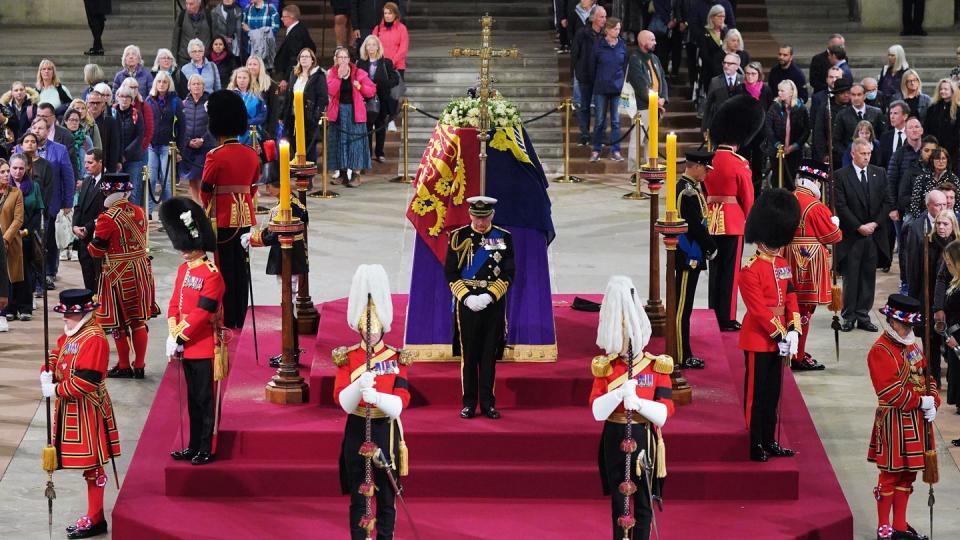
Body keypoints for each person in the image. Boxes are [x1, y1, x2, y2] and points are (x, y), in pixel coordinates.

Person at [589, 275, 674, 540]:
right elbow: (596, 411)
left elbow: (664, 412)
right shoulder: (607, 366)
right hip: (614, 436)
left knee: (644, 502)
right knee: (618, 499)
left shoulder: (655, 365)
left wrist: (638, 403)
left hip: (643, 436)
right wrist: (617, 396)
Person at [331, 263, 411, 540]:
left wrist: (377, 397)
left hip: (385, 429)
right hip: (357, 428)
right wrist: (357, 388)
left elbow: (401, 402)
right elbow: (341, 400)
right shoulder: (348, 357)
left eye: (374, 328)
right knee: (358, 495)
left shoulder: (395, 358)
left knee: (387, 496)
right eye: (366, 328)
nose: (370, 333)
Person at [40, 288, 121, 539]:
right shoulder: (74, 333)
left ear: (84, 313)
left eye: (69, 314)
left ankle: (96, 518)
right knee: (89, 467)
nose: (65, 318)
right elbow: (58, 352)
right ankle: (95, 516)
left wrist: (55, 388)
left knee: (94, 466)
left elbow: (88, 381)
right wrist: (48, 369)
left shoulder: (94, 338)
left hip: (89, 410)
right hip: (71, 409)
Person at [867, 294, 938, 540]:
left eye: (910, 325)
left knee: (908, 475)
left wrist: (934, 401)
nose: (908, 329)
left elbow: (927, 376)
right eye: (904, 324)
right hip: (893, 421)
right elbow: (889, 391)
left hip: (916, 422)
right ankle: (883, 527)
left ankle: (899, 525)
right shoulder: (880, 350)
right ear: (892, 321)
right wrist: (921, 401)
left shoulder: (913, 345)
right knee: (890, 474)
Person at [160, 196, 224, 466]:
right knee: (192, 400)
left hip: (203, 344)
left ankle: (205, 447)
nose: (183, 252)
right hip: (185, 344)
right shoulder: (183, 269)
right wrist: (172, 331)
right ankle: (193, 445)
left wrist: (180, 335)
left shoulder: (212, 275)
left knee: (204, 400)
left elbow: (202, 313)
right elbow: (175, 303)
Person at [739, 188, 801, 462]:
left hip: (781, 339)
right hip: (758, 339)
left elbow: (790, 296)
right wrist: (780, 334)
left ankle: (769, 439)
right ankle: (755, 443)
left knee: (773, 393)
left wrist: (795, 329)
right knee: (757, 395)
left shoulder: (782, 263)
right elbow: (759, 311)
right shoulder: (749, 270)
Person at [445, 196, 514, 420]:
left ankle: (488, 403)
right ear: (470, 214)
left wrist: (490, 295)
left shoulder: (503, 237)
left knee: (488, 355)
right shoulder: (458, 237)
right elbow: (451, 272)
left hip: (492, 303)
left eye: (485, 217)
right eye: (477, 217)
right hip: (467, 303)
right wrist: (466, 297)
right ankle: (468, 403)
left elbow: (508, 272)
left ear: (492, 215)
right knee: (470, 354)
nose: (481, 222)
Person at [87, 173, 159, 379]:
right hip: (141, 270)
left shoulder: (107, 217)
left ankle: (125, 365)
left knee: (117, 323)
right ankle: (140, 365)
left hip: (117, 274)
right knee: (138, 321)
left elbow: (96, 251)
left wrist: (90, 240)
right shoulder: (139, 211)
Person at [199, 90, 260, 330]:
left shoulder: (215, 155)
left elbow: (205, 189)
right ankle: (240, 316)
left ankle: (227, 317)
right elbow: (253, 186)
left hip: (222, 218)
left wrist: (209, 206)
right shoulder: (251, 154)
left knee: (224, 269)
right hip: (244, 216)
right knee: (241, 267)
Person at [240, 172, 308, 367]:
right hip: (292, 259)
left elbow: (273, 234)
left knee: (289, 306)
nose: (266, 189)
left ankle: (291, 353)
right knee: (288, 305)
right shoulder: (294, 203)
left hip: (289, 261)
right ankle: (290, 351)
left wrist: (252, 239)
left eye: (269, 185)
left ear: (277, 186)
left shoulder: (285, 208)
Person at [705, 95, 760, 332]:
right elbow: (747, 198)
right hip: (733, 221)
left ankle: (712, 311)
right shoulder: (739, 163)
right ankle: (726, 317)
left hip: (711, 219)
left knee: (715, 271)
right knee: (730, 273)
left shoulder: (709, 160)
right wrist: (752, 220)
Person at [784, 160, 843, 371]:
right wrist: (834, 223)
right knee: (804, 310)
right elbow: (833, 236)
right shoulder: (815, 206)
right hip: (808, 262)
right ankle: (797, 355)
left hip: (786, 258)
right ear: (816, 181)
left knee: (789, 307)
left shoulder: (788, 199)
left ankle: (793, 349)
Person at [835, 138, 892, 331]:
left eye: (869, 153)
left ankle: (863, 315)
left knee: (868, 276)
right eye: (863, 153)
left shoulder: (880, 173)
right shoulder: (841, 175)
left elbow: (887, 201)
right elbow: (840, 206)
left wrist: (874, 224)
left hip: (873, 235)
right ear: (853, 154)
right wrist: (859, 226)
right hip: (852, 236)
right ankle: (849, 315)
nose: (867, 157)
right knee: (851, 277)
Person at [902, 191, 954, 383]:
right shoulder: (918, 230)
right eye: (938, 205)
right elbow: (913, 266)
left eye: (944, 205)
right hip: (928, 293)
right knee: (930, 337)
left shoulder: (955, 240)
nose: (942, 209)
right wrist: (914, 298)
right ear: (928, 206)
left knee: (948, 338)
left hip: (950, 298)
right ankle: (933, 378)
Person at [674, 151, 716, 369]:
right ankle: (681, 355)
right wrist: (711, 246)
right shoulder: (687, 192)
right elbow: (695, 227)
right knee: (682, 307)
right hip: (688, 254)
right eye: (706, 169)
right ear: (696, 166)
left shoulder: (689, 188)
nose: (708, 174)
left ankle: (683, 351)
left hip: (692, 253)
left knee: (684, 305)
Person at [326, 46, 376, 186]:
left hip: (355, 113)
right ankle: (342, 174)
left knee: (355, 143)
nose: (342, 60)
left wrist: (360, 86)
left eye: (345, 57)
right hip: (338, 113)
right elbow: (330, 90)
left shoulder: (358, 72)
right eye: (339, 57)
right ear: (335, 59)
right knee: (339, 143)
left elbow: (371, 90)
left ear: (349, 59)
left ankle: (355, 175)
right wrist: (339, 78)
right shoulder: (332, 73)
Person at [625, 30, 667, 172]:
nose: (655, 42)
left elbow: (662, 79)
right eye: (652, 40)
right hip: (642, 107)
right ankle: (633, 171)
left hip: (656, 105)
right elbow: (640, 86)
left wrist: (663, 98)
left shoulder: (654, 58)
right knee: (637, 139)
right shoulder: (635, 59)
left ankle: (650, 169)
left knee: (651, 140)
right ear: (643, 42)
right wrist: (655, 101)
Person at [5, 153, 42, 319]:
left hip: (26, 236)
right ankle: (10, 307)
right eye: (14, 168)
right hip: (9, 236)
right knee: (9, 272)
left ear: (27, 168)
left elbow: (37, 214)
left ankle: (25, 307)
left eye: (21, 168)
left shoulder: (34, 186)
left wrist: (25, 231)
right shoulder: (5, 187)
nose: (17, 171)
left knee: (26, 272)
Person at [587, 17, 627, 162]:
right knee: (599, 121)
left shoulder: (622, 45)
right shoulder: (598, 45)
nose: (618, 31)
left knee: (616, 121)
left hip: (617, 89)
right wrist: (597, 81)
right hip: (601, 88)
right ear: (608, 30)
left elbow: (624, 66)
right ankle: (596, 150)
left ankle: (616, 151)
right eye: (615, 29)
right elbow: (592, 67)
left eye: (619, 29)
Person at [282, 48, 328, 165]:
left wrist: (315, 116)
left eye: (307, 57)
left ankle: (309, 176)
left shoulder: (318, 76)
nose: (304, 59)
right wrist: (282, 115)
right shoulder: (294, 74)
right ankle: (300, 173)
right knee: (295, 145)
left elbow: (322, 98)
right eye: (302, 57)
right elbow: (289, 96)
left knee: (309, 148)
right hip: (293, 117)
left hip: (309, 118)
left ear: (312, 60)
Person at [357, 35, 398, 164]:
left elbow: (395, 79)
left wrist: (385, 84)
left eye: (374, 44)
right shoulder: (360, 63)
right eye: (368, 45)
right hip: (366, 99)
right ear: (365, 47)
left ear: (378, 47)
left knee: (380, 126)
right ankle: (368, 153)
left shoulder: (386, 62)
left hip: (382, 98)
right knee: (367, 127)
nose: (371, 47)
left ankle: (379, 153)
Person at [764, 80, 809, 190]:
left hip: (794, 152)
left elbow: (806, 130)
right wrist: (777, 144)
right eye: (779, 90)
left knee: (791, 181)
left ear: (791, 92)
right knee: (776, 180)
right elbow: (768, 127)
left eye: (782, 91)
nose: (779, 93)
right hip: (777, 151)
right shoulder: (774, 106)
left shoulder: (801, 108)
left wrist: (795, 146)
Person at [570, 5, 605, 146]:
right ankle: (584, 134)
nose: (604, 19)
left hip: (600, 76)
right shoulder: (582, 33)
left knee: (599, 108)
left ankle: (598, 136)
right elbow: (574, 55)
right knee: (584, 106)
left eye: (605, 16)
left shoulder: (604, 35)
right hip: (584, 75)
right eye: (602, 16)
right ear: (594, 18)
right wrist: (575, 72)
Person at [73, 149, 105, 292]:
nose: (86, 166)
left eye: (90, 162)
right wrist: (75, 226)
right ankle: (91, 300)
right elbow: (79, 206)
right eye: (85, 162)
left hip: (97, 236)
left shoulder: (107, 183)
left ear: (100, 162)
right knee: (86, 271)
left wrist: (88, 227)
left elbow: (106, 212)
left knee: (98, 275)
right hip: (83, 237)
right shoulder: (86, 181)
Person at [178, 75, 215, 199]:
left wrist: (203, 139)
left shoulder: (210, 102)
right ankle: (197, 203)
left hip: (205, 146)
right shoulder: (183, 103)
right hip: (188, 147)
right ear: (189, 87)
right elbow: (181, 126)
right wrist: (188, 141)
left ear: (203, 87)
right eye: (194, 84)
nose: (196, 86)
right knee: (192, 179)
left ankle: (205, 204)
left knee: (202, 177)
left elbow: (213, 124)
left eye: (199, 84)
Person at [738, 61, 772, 191]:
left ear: (759, 75)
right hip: (744, 134)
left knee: (758, 165)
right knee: (743, 164)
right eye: (747, 74)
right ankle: (743, 190)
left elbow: (769, 111)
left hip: (760, 134)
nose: (750, 76)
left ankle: (756, 192)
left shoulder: (766, 90)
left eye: (753, 74)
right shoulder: (740, 89)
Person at [936, 241, 960, 417]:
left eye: (950, 263)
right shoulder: (955, 280)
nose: (947, 266)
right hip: (953, 333)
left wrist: (958, 341)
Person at [113, 86, 146, 209]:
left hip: (132, 158)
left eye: (128, 97)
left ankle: (134, 219)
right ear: (117, 98)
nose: (124, 99)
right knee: (117, 191)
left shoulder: (136, 114)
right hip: (116, 157)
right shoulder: (112, 112)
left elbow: (139, 136)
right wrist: (117, 156)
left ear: (132, 100)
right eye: (122, 96)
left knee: (132, 190)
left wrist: (125, 154)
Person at [0, 159, 24, 326]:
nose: (7, 174)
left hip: (9, 241)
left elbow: (18, 219)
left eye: (7, 171)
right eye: (2, 172)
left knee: (7, 276)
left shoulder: (16, 192)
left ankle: (6, 312)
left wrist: (5, 239)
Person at [833, 83, 885, 156]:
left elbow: (882, 135)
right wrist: (848, 154)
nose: (856, 98)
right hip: (851, 157)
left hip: (873, 156)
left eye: (859, 94)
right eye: (853, 95)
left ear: (864, 96)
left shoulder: (876, 112)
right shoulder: (842, 114)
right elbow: (836, 140)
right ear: (850, 96)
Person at [811, 77, 851, 166]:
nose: (846, 95)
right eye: (842, 93)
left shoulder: (852, 106)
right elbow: (819, 132)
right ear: (836, 94)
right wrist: (823, 154)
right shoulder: (826, 107)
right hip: (832, 153)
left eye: (848, 92)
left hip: (849, 151)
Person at [909, 147, 958, 218]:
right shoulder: (921, 179)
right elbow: (915, 205)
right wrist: (921, 221)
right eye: (937, 159)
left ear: (947, 160)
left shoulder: (953, 179)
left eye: (943, 158)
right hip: (925, 219)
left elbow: (957, 204)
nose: (941, 161)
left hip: (948, 220)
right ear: (932, 160)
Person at [701, 53, 742, 136]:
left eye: (729, 63)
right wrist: (705, 127)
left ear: (737, 66)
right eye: (724, 63)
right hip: (720, 124)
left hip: (739, 125)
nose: (726, 66)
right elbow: (708, 105)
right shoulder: (715, 81)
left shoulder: (743, 80)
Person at [274, 4, 316, 81]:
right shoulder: (300, 28)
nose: (281, 18)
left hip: (294, 76)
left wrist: (286, 78)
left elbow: (294, 58)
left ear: (291, 17)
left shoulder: (296, 34)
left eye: (284, 17)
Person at [697, 4, 728, 106]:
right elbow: (704, 54)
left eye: (723, 16)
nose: (722, 19)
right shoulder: (705, 33)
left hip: (725, 70)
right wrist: (716, 65)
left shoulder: (726, 31)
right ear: (712, 17)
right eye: (719, 16)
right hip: (709, 71)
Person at [923, 79, 959, 163]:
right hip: (934, 149)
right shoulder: (932, 108)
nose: (942, 91)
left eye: (946, 89)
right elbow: (927, 127)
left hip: (952, 152)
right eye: (941, 89)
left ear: (952, 91)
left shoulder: (958, 109)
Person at [246, 55, 282, 138]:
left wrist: (270, 132)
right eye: (249, 64)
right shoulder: (243, 82)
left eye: (255, 64)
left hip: (264, 129)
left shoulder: (270, 84)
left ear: (260, 66)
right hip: (246, 128)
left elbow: (274, 110)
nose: (252, 67)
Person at [87, 87, 121, 172]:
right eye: (92, 103)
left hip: (104, 167)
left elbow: (114, 148)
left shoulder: (110, 122)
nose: (95, 105)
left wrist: (111, 171)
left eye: (98, 103)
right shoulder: (81, 122)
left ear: (103, 105)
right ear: (87, 104)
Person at [172, 0, 213, 66]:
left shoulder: (209, 15)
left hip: (204, 59)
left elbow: (214, 37)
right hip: (185, 59)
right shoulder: (181, 16)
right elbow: (175, 39)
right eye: (186, 4)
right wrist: (173, 59)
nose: (188, 6)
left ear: (198, 4)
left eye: (191, 4)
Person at [373, 2, 409, 79]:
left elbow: (403, 49)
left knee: (396, 90)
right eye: (385, 13)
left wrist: (392, 62)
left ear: (395, 14)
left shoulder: (402, 28)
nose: (387, 16)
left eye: (390, 13)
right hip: (381, 66)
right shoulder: (377, 28)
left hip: (397, 67)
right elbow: (372, 47)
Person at [243, 0, 280, 66]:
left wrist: (251, 31)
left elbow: (274, 29)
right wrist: (262, 31)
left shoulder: (271, 8)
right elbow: (243, 26)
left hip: (266, 50)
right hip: (251, 48)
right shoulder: (248, 8)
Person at [62, 109, 95, 181]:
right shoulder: (60, 138)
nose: (74, 123)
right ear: (65, 121)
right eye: (71, 120)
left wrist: (85, 179)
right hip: (65, 178)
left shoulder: (86, 139)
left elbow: (92, 159)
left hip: (83, 178)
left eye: (77, 120)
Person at [879, 100, 910, 168]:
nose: (892, 117)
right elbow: (881, 162)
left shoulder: (911, 135)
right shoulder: (885, 137)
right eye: (890, 113)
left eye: (895, 113)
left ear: (905, 116)